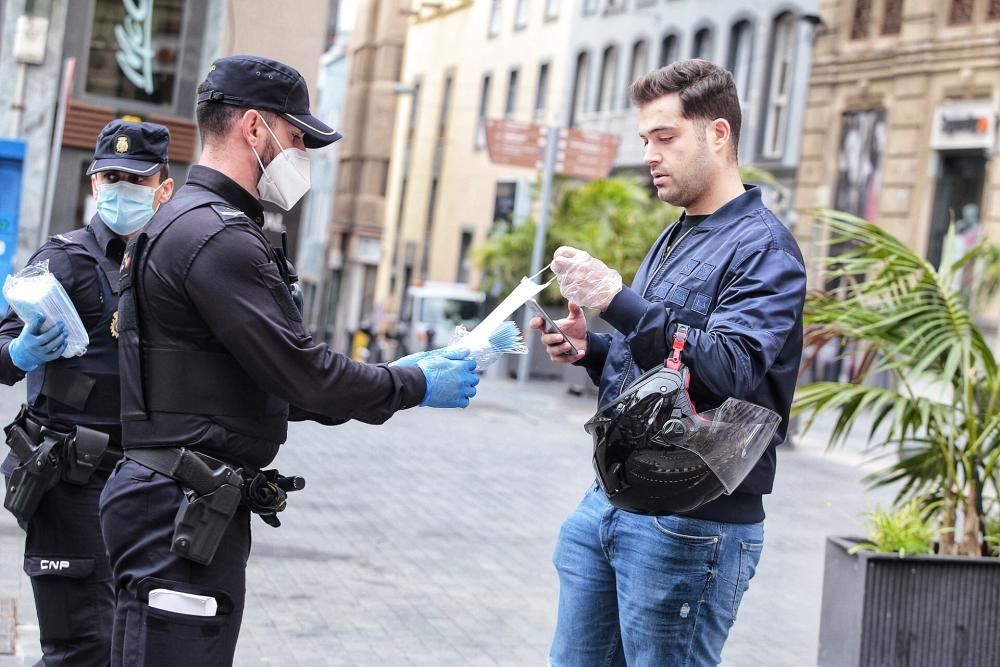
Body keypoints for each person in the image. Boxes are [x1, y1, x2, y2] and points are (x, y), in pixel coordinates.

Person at [98, 55, 479, 666]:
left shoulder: (184, 222)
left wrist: (392, 378)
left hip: (178, 501)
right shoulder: (218, 238)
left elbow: (280, 384)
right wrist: (412, 382)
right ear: (255, 128)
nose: (303, 155)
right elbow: (304, 372)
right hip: (178, 506)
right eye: (297, 138)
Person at [531, 59, 807, 667]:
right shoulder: (678, 233)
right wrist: (593, 349)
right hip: (612, 500)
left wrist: (618, 302)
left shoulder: (765, 248)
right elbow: (666, 370)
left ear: (717, 134)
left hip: (693, 522)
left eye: (665, 138)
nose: (650, 155)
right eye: (645, 141)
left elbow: (732, 371)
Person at [0, 119, 174, 666]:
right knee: (82, 647)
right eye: (109, 177)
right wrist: (20, 353)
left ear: (163, 188)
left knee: (129, 644)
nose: (119, 188)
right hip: (70, 480)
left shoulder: (175, 262)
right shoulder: (64, 260)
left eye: (134, 178)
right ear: (93, 184)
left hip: (146, 484)